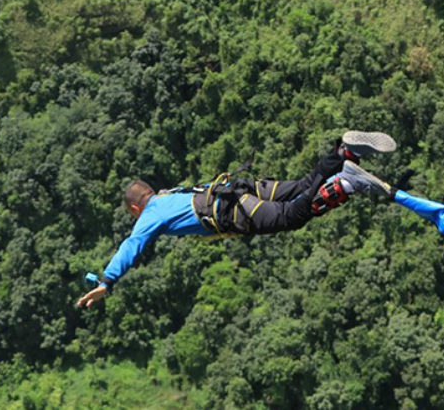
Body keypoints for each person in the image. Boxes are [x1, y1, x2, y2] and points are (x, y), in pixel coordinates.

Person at [76, 131, 397, 308]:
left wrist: (107, 281)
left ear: (135, 208)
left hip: (233, 209)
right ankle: (342, 154)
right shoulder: (166, 194)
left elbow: (132, 244)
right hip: (236, 187)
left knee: (291, 217)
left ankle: (345, 183)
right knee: (301, 186)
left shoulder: (150, 214)